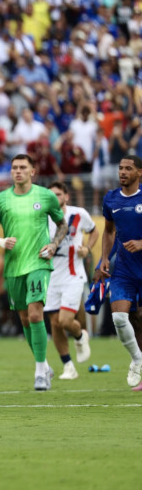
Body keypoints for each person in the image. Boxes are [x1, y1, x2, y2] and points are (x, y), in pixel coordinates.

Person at [0, 154, 66, 391]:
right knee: (24, 319)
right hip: (13, 267)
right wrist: (0, 242)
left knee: (35, 315)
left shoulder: (45, 195)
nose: (17, 171)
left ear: (33, 171)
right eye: (14, 168)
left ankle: (40, 371)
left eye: (22, 167)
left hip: (39, 264)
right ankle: (45, 364)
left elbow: (62, 224)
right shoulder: (1, 200)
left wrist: (53, 245)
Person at [95, 155, 142, 388]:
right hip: (123, 269)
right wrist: (104, 258)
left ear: (139, 173)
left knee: (139, 319)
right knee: (120, 317)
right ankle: (137, 360)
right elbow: (109, 231)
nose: (122, 172)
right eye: (121, 168)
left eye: (128, 168)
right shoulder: (111, 199)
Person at [44, 182, 95, 379]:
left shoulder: (79, 214)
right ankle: (68, 366)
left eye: (58, 194)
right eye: (50, 195)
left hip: (73, 274)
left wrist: (88, 248)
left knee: (65, 320)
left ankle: (81, 335)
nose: (54, 198)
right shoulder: (43, 218)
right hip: (50, 275)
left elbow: (94, 231)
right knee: (55, 324)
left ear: (66, 196)